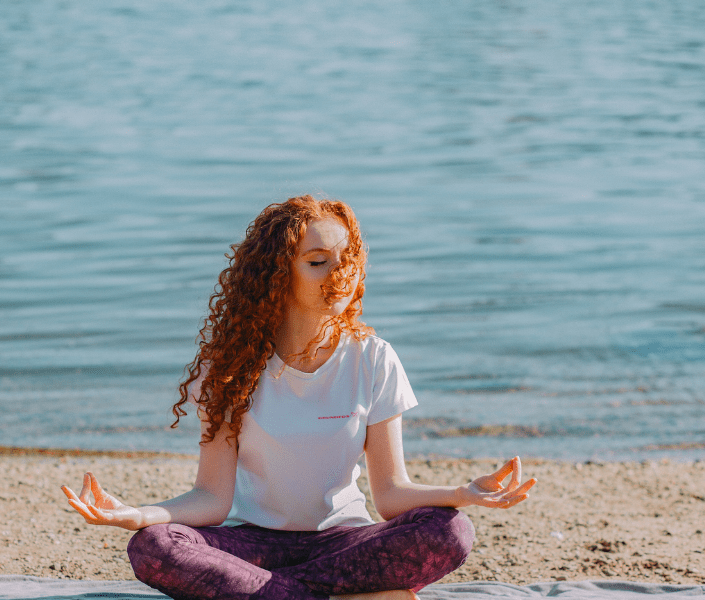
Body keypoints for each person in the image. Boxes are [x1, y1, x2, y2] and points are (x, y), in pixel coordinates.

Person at [62, 195, 537, 600]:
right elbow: (211, 497)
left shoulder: (373, 357)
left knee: (451, 530)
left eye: (347, 260)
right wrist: (137, 514)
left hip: (344, 544)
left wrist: (462, 494)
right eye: (318, 262)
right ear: (276, 274)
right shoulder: (228, 364)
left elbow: (391, 495)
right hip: (250, 544)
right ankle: (336, 598)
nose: (340, 274)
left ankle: (274, 593)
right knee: (154, 546)